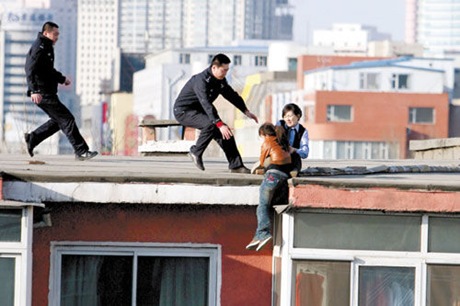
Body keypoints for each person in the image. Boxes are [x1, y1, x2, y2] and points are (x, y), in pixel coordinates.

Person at [24, 21, 97, 161]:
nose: (57, 37)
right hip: (42, 93)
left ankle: (33, 138)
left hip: (48, 91)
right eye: (55, 34)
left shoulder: (46, 46)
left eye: (58, 34)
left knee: (59, 121)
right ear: (46, 33)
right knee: (67, 119)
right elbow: (29, 69)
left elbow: (47, 70)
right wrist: (34, 91)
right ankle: (81, 151)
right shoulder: (39, 47)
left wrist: (62, 79)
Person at [173, 53, 258, 173]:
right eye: (223, 70)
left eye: (227, 70)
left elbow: (231, 95)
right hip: (183, 111)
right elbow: (206, 103)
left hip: (200, 111)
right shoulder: (200, 81)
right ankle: (195, 151)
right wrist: (219, 123)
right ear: (214, 67)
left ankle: (236, 166)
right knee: (212, 124)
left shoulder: (220, 81)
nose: (225, 73)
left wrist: (245, 111)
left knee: (226, 133)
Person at [246, 123, 293, 251]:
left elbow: (262, 162)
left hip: (272, 176)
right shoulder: (283, 142)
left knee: (262, 205)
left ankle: (263, 233)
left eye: (261, 136)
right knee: (270, 205)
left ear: (264, 134)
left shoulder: (267, 142)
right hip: (284, 178)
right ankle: (258, 235)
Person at [276, 103, 309, 176]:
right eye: (285, 116)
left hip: (293, 160)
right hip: (278, 157)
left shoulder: (303, 131)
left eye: (290, 116)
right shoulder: (279, 125)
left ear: (298, 116)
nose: (287, 119)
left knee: (296, 160)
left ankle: (293, 171)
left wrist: (294, 150)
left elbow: (305, 153)